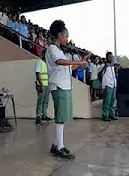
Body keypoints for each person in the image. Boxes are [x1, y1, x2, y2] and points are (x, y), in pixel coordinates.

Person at [46, 20, 90, 159]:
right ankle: (60, 147)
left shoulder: (59, 51)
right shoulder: (52, 49)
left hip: (64, 85)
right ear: (59, 35)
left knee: (62, 117)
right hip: (59, 86)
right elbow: (59, 62)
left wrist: (81, 62)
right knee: (60, 118)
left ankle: (56, 144)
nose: (67, 39)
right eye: (66, 36)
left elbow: (68, 69)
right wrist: (78, 61)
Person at [35, 50, 52, 124]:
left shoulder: (47, 64)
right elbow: (37, 73)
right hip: (41, 85)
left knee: (45, 101)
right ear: (43, 55)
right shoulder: (39, 62)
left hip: (47, 85)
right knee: (40, 101)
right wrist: (41, 85)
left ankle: (44, 115)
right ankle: (38, 117)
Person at [101, 52, 118, 121]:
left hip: (113, 85)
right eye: (110, 57)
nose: (111, 58)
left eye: (112, 57)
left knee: (112, 101)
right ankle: (105, 116)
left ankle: (111, 114)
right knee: (106, 102)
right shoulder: (104, 65)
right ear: (107, 57)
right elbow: (100, 74)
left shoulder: (112, 66)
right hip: (107, 85)